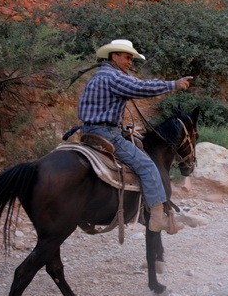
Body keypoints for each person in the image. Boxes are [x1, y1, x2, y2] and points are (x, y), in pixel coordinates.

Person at [78, 39, 193, 234]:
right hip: (107, 133)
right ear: (114, 56)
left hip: (88, 131)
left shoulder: (98, 76)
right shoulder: (113, 77)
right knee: (147, 166)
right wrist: (173, 84)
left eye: (131, 59)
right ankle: (157, 218)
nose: (130, 62)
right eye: (127, 57)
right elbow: (141, 88)